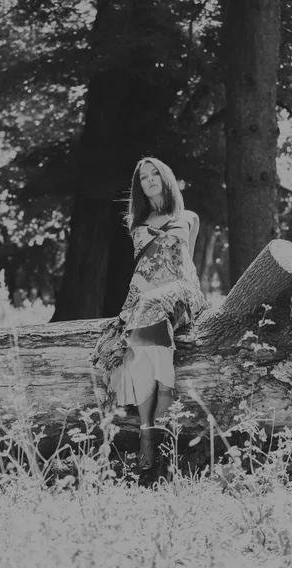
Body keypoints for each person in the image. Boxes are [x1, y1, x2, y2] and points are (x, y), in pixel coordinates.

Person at [91, 157, 206, 471]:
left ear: (166, 177)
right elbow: (143, 268)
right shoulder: (134, 222)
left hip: (182, 292)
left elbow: (187, 264)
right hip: (143, 296)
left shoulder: (189, 217)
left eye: (156, 173)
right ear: (139, 186)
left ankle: (166, 393)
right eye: (144, 177)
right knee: (129, 349)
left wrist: (169, 294)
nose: (151, 179)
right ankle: (147, 433)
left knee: (151, 307)